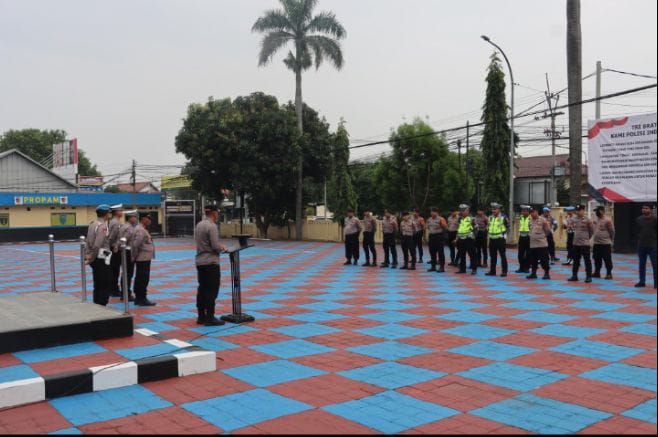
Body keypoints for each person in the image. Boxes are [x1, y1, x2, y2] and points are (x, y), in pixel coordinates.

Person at [195, 204, 229, 326]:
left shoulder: (199, 225)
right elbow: (215, 246)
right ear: (214, 213)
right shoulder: (212, 226)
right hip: (211, 262)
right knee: (212, 290)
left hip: (200, 261)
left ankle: (201, 316)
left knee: (202, 289)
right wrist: (223, 247)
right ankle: (210, 316)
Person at [86, 204, 112, 306]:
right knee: (105, 281)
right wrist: (92, 258)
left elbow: (88, 241)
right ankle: (102, 303)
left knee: (97, 281)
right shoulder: (103, 226)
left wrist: (88, 254)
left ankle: (96, 302)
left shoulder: (92, 224)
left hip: (96, 255)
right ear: (106, 214)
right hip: (102, 255)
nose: (109, 215)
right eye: (109, 213)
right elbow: (98, 244)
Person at [132, 212, 157, 306]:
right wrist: (134, 257)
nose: (150, 221)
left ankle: (139, 298)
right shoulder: (141, 230)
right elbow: (135, 245)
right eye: (148, 219)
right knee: (143, 279)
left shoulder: (141, 229)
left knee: (140, 278)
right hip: (143, 258)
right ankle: (141, 298)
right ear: (143, 219)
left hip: (143, 258)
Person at [568, 205, 594, 283]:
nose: (577, 212)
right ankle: (574, 275)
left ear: (583, 210)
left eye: (579, 210)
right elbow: (569, 227)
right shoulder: (573, 219)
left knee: (587, 260)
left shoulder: (588, 220)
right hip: (576, 243)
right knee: (576, 260)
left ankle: (588, 276)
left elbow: (591, 231)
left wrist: (587, 239)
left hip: (584, 243)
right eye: (577, 210)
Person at [635, 204, 657, 288]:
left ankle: (656, 283)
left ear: (650, 210)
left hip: (653, 246)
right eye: (643, 208)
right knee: (641, 264)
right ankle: (642, 282)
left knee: (655, 264)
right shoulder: (639, 219)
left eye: (646, 208)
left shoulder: (655, 219)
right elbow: (637, 231)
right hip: (641, 245)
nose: (644, 209)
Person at [118, 210, 138, 302]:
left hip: (124, 251)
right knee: (128, 274)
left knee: (125, 273)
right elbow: (124, 240)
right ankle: (126, 294)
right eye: (134, 217)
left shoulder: (124, 226)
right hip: (128, 251)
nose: (136, 218)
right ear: (130, 218)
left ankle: (124, 293)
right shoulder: (129, 228)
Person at [527, 206, 551, 280]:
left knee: (544, 260)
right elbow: (530, 230)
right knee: (533, 260)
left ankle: (546, 273)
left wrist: (542, 237)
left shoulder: (543, 220)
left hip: (541, 244)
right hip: (533, 244)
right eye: (530, 212)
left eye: (533, 212)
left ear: (536, 212)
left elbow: (548, 231)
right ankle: (533, 273)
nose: (531, 214)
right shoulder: (530, 221)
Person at [592, 206, 615, 280]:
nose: (596, 213)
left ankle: (609, 273)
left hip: (605, 243)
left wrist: (611, 240)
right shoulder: (595, 219)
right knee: (596, 258)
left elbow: (612, 231)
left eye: (597, 211)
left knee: (607, 259)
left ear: (602, 211)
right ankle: (597, 272)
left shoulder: (607, 220)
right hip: (596, 243)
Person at [486, 202, 509, 277]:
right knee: (492, 256)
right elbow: (488, 226)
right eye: (492, 209)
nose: (493, 211)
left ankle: (504, 271)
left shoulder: (503, 217)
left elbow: (508, 226)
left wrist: (504, 236)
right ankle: (492, 271)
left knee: (502, 255)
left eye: (495, 209)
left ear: (499, 209)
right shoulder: (490, 217)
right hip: (492, 239)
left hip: (500, 239)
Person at [455, 204, 477, 275]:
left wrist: (474, 236)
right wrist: (456, 238)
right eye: (461, 210)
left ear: (468, 211)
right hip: (461, 238)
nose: (462, 212)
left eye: (464, 210)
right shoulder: (460, 219)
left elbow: (476, 228)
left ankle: (474, 269)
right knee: (462, 254)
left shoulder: (472, 219)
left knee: (472, 254)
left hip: (469, 239)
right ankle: (462, 269)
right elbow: (459, 228)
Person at [108, 204, 124, 297]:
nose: (122, 212)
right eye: (120, 210)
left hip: (115, 248)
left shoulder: (115, 221)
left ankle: (113, 289)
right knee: (114, 270)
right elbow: (111, 237)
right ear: (116, 212)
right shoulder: (115, 223)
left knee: (114, 270)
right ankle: (113, 290)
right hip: (114, 249)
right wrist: (114, 246)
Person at [426, 207, 447, 272]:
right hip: (431, 236)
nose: (432, 213)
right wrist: (426, 237)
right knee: (432, 252)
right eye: (431, 211)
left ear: (437, 212)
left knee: (440, 252)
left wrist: (443, 236)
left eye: (433, 211)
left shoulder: (441, 219)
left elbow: (445, 227)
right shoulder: (429, 219)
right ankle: (433, 266)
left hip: (439, 236)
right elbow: (427, 228)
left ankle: (442, 267)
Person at [516, 205, 531, 273]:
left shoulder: (530, 218)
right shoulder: (520, 218)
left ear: (528, 212)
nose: (523, 212)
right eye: (522, 211)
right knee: (520, 254)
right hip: (521, 236)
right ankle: (521, 267)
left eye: (525, 211)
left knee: (528, 254)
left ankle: (527, 267)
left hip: (528, 236)